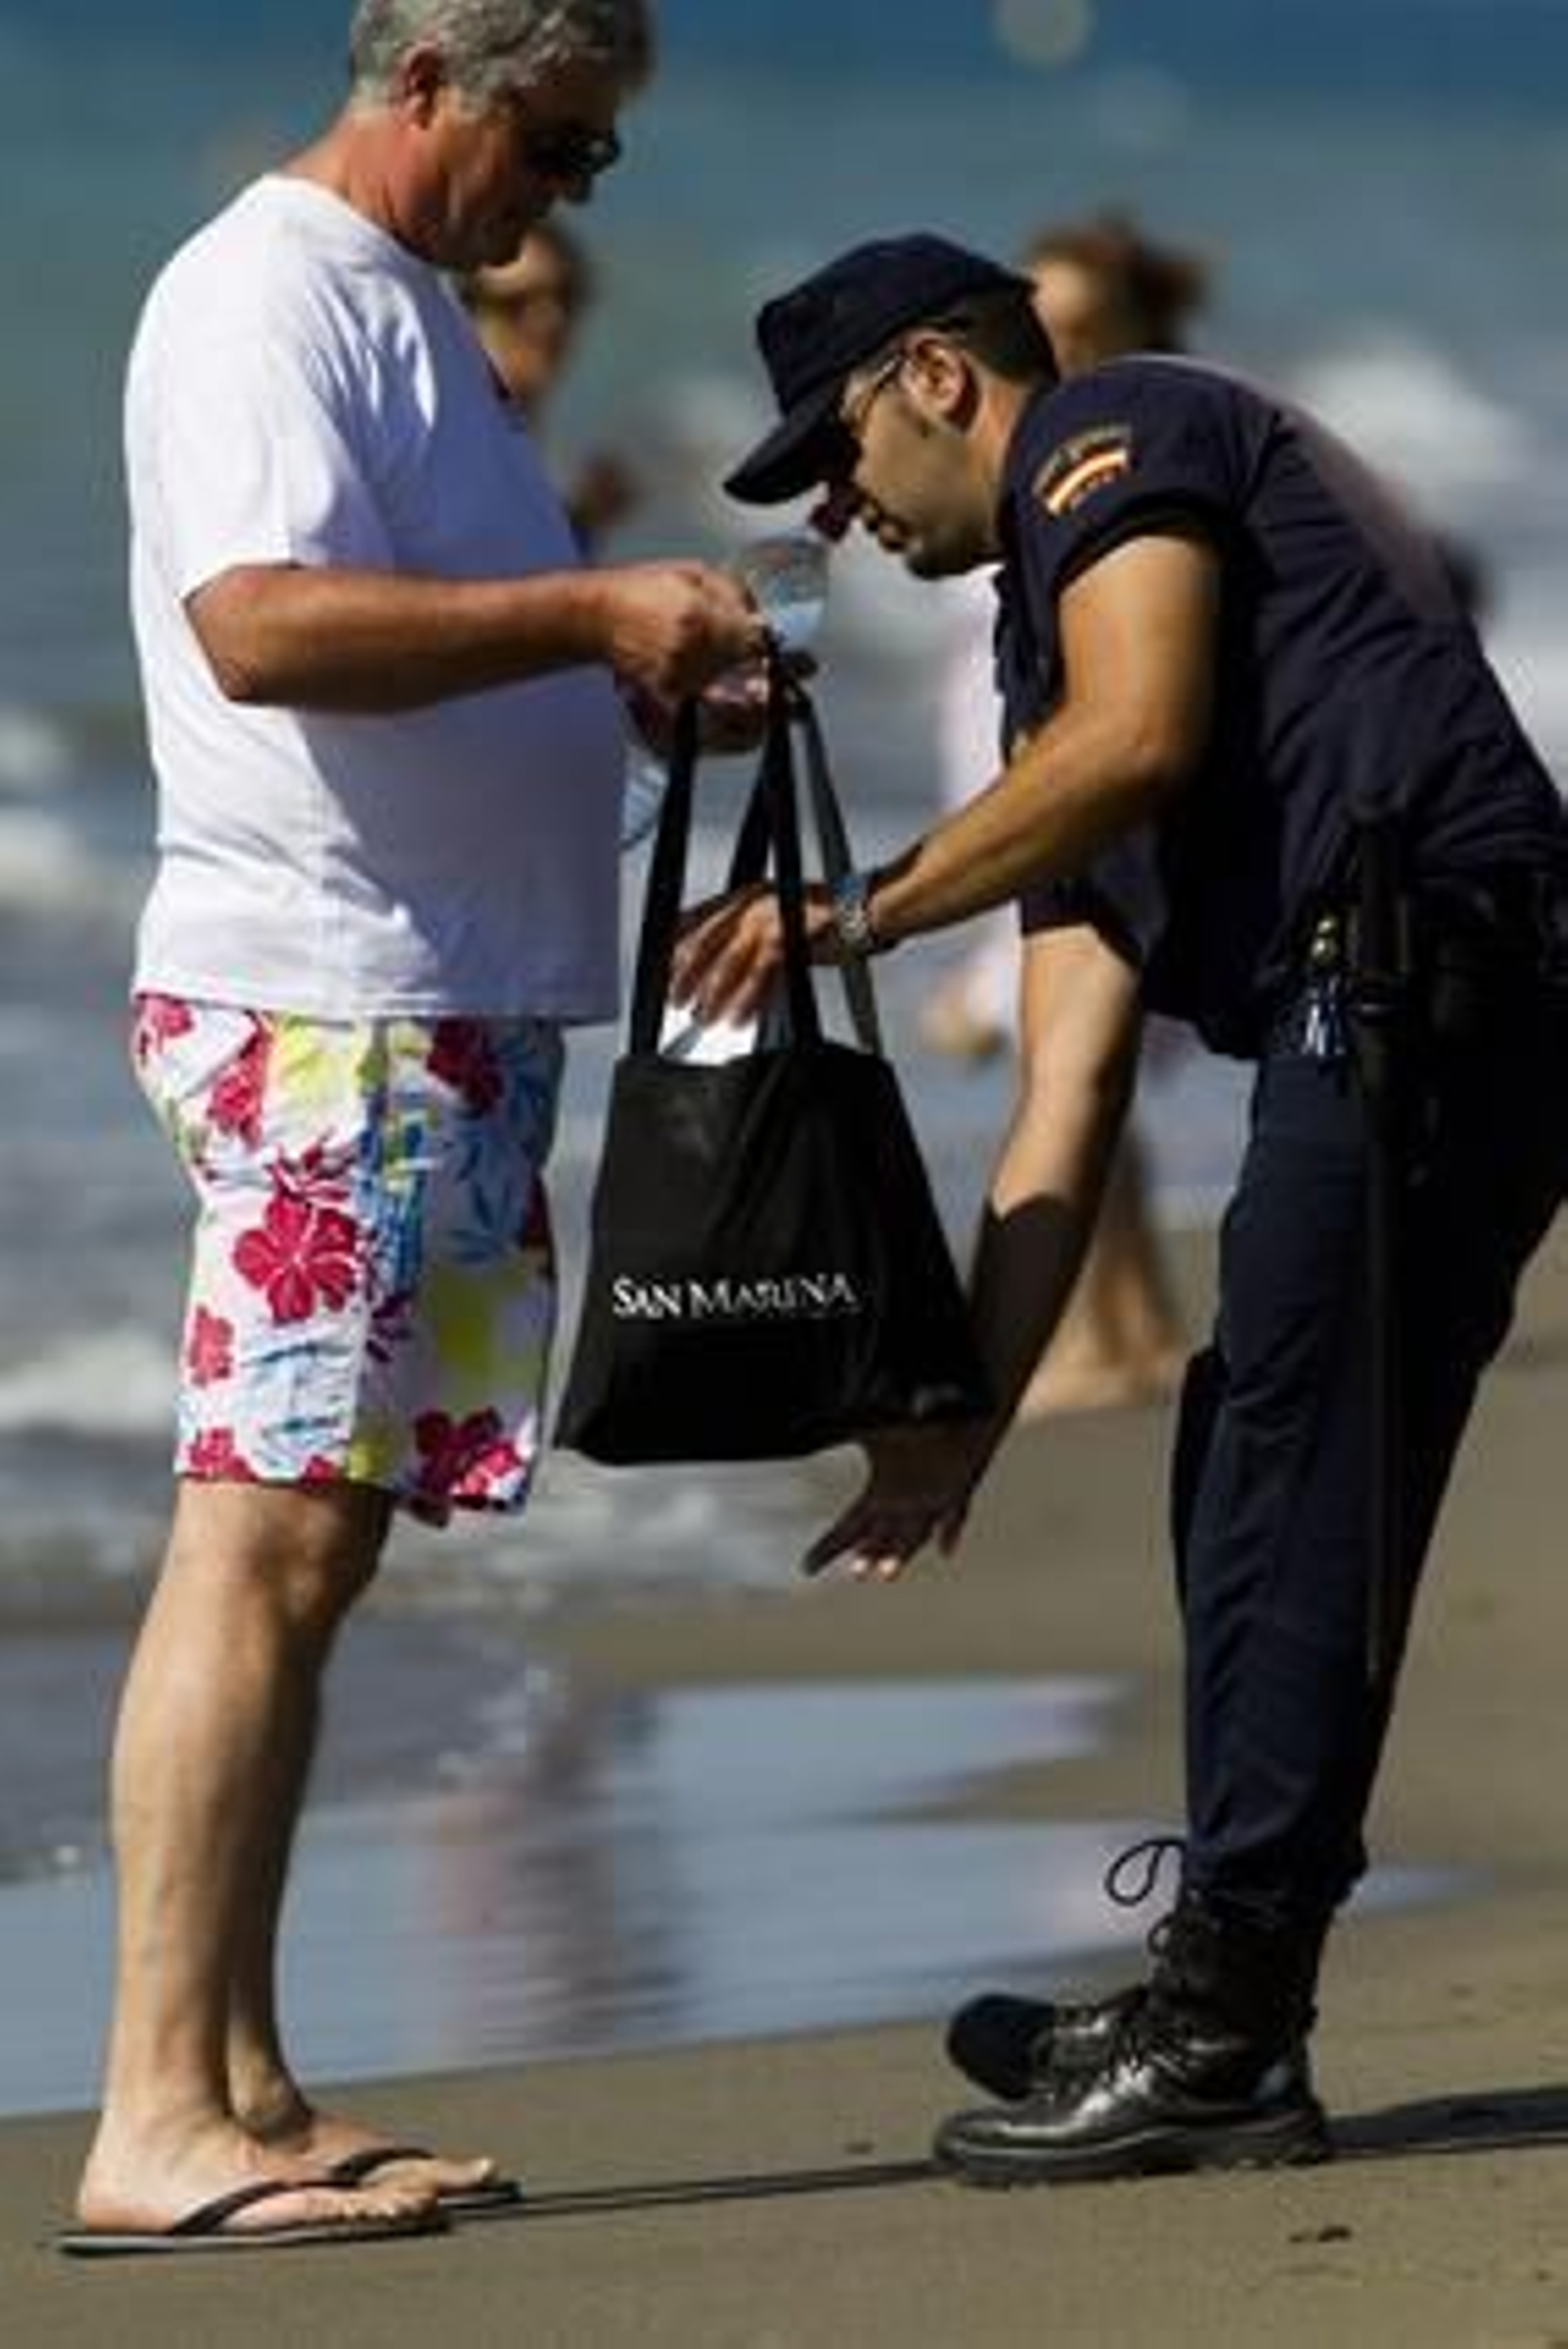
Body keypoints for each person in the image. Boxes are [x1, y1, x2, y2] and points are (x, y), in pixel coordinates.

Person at [673, 233, 1568, 2187]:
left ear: (933, 375)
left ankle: (1227, 2028)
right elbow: (1060, 1095)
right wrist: (956, 1432)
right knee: (1236, 1474)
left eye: (825, 459)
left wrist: (860, 909)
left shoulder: (1115, 427)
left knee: (1290, 1483)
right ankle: (1215, 1989)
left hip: (1432, 982)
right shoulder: (1037, 679)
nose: (832, 512)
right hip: (1382, 1014)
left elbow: (1144, 733)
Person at [70, 0, 763, 2258]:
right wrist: (588, 602)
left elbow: (426, 633)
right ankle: (156, 2106)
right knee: (255, 1536)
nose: (568, 196)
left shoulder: (400, 309)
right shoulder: (266, 292)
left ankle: (245, 2078)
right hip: (324, 999)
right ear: (438, 83)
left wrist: (626, 667)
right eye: (559, 145)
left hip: (424, 1002)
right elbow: (260, 628)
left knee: (322, 1536)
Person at [922, 211, 1209, 1415]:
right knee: (1086, 1087)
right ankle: (1134, 1328)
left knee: (1073, 1074)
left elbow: (1121, 727)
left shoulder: (1131, 464)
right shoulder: (1053, 468)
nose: (1066, 355)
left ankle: (1098, 1341)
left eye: (1088, 330)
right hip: (1027, 816)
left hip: (1076, 832)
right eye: (1046, 330)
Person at [458, 216, 641, 548]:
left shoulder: (516, 425)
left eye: (565, 297)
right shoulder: (454, 430)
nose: (548, 321)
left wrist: (584, 521)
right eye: (517, 304)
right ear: (468, 313)